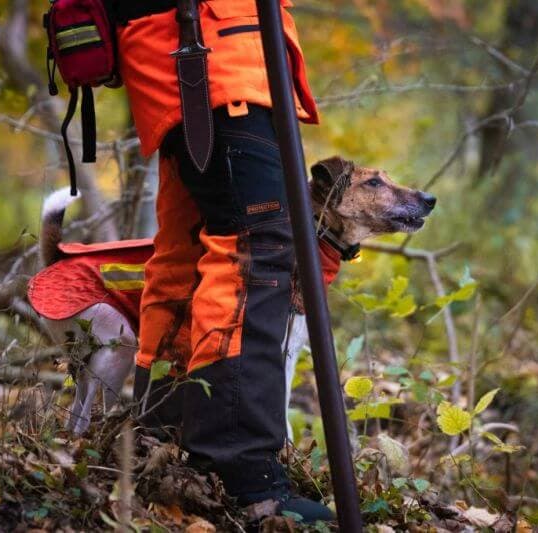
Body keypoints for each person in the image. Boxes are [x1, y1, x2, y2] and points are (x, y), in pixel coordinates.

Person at [113, 0, 332, 522]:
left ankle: (160, 438)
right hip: (212, 64)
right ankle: (242, 473)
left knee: (187, 256)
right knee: (255, 251)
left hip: (193, 66)